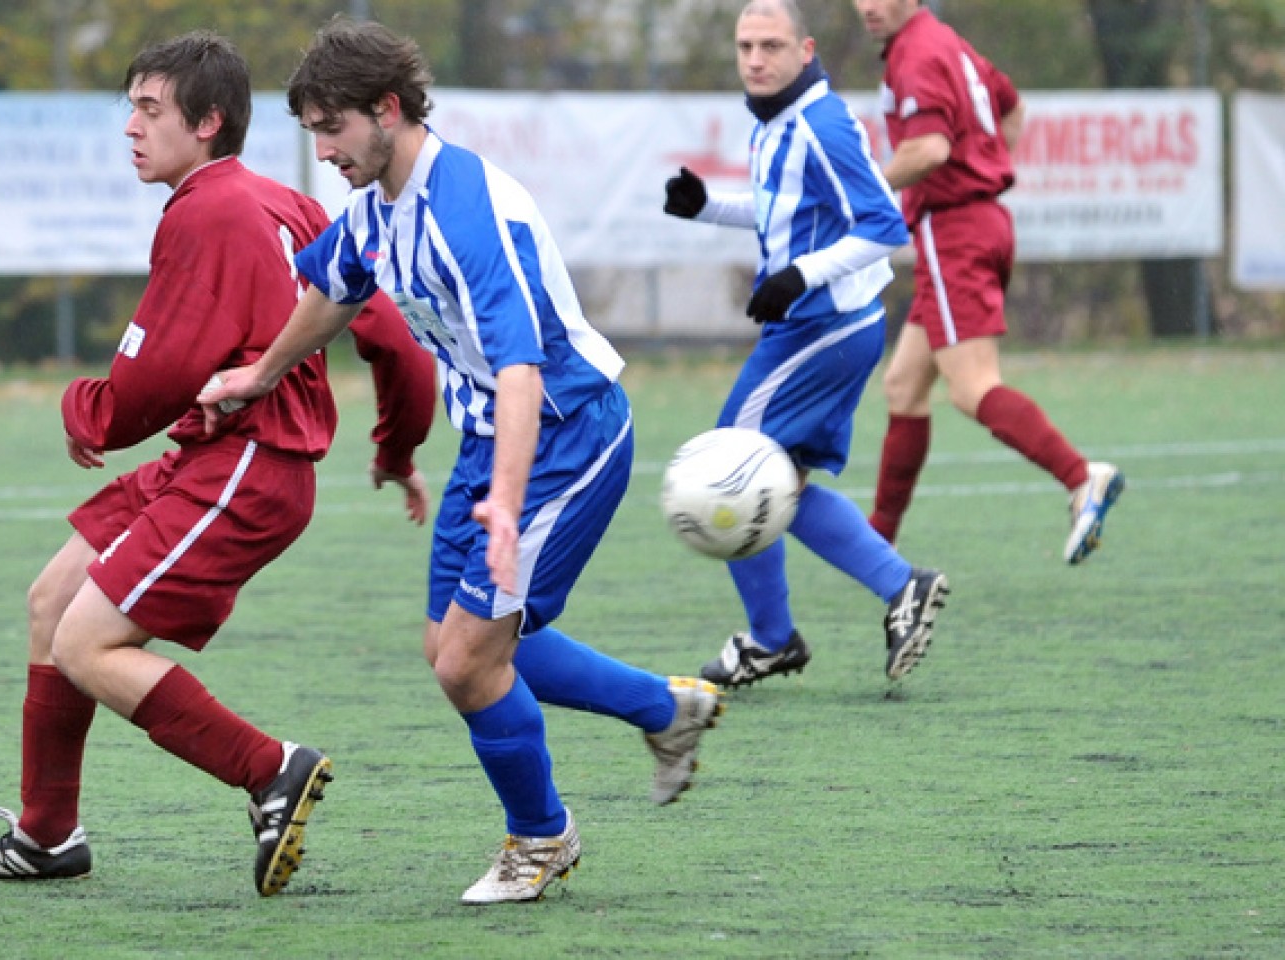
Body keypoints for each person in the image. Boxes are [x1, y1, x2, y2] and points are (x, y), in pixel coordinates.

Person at [201, 16, 724, 906]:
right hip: (492, 440)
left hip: (566, 433)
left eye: (334, 128)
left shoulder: (467, 211)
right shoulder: (375, 208)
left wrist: (508, 508)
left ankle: (542, 838)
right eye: (313, 132)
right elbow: (332, 289)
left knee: (471, 662)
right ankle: (663, 709)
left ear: (389, 110)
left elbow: (520, 369)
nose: (322, 150)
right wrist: (257, 373)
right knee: (454, 644)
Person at [0, 31, 436, 897]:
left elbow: (155, 379)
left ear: (208, 123)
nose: (130, 127)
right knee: (52, 600)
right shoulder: (285, 202)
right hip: (220, 463)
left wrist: (85, 408)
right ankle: (47, 833)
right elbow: (397, 344)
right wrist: (395, 448)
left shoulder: (207, 211)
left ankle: (268, 768)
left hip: (245, 468)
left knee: (87, 644)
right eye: (129, 107)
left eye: (150, 110)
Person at [663, 0, 948, 688]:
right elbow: (784, 211)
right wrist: (709, 207)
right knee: (776, 481)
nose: (756, 59)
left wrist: (799, 276)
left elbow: (885, 228)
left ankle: (777, 633)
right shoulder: (777, 121)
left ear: (806, 50)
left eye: (771, 45)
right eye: (746, 46)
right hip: (817, 326)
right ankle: (879, 594)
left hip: (827, 327)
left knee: (730, 469)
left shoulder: (820, 124)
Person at [854, 0, 1124, 563]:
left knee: (972, 387)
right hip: (979, 223)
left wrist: (864, 192)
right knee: (904, 384)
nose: (867, 6)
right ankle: (877, 542)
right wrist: (984, 174)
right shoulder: (946, 41)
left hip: (955, 232)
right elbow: (1013, 108)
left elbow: (928, 148)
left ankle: (1081, 477)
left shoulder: (917, 53)